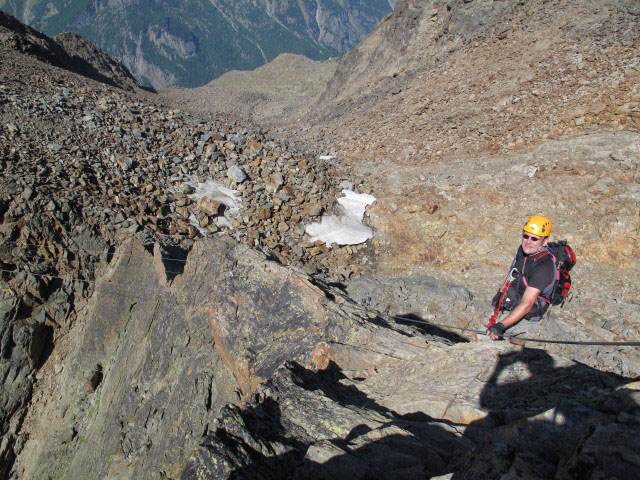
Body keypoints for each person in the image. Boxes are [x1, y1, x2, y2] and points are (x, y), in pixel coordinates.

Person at [487, 215, 556, 345]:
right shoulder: (523, 251)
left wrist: (501, 326)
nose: (528, 241)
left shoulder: (544, 267)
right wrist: (501, 293)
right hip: (514, 300)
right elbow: (513, 273)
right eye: (526, 236)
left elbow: (527, 304)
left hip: (529, 313)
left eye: (534, 239)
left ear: (545, 241)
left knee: (505, 343)